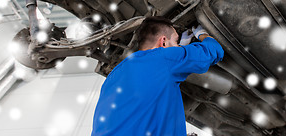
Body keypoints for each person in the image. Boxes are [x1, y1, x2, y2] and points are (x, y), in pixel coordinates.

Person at [91, 16, 224, 136]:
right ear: (164, 42)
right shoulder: (164, 59)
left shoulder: (115, 74)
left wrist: (177, 51)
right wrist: (202, 34)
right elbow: (213, 51)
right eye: (176, 41)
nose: (178, 45)